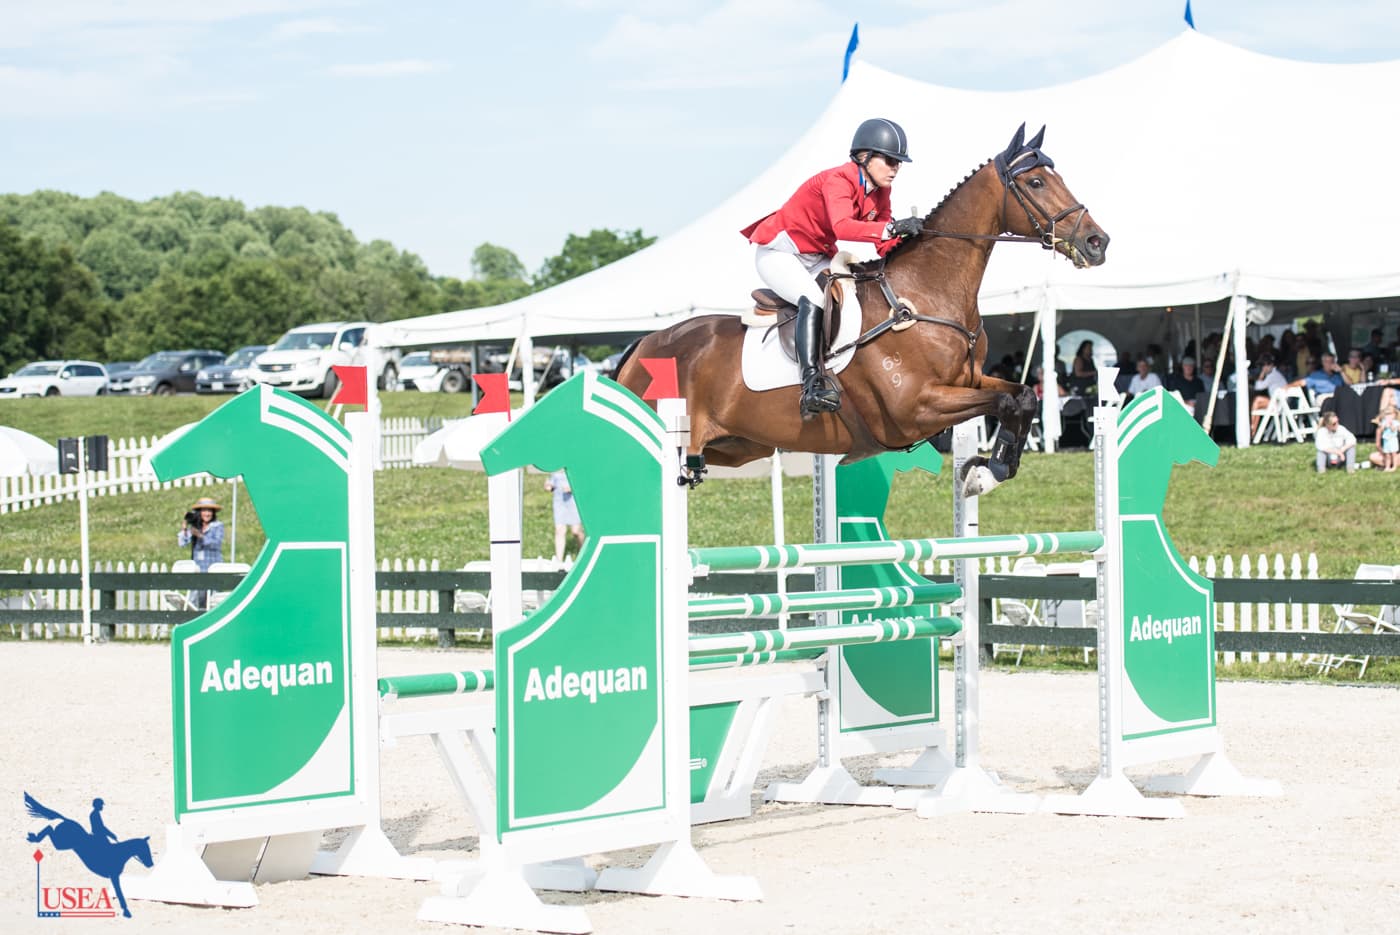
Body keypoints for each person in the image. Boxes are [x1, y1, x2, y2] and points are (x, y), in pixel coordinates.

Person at [740, 117, 919, 417]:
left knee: (853, 294)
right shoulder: (839, 180)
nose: (895, 168)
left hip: (816, 255)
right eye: (889, 160)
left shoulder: (880, 191)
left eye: (898, 163)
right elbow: (843, 226)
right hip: (780, 252)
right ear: (865, 157)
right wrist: (891, 228)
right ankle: (811, 382)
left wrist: (910, 239)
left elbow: (882, 243)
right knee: (813, 298)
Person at [177, 496, 225, 610]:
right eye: (204, 511)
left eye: (209, 511)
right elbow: (182, 543)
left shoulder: (217, 526)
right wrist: (185, 528)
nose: (207, 514)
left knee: (213, 601)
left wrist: (200, 536)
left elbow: (216, 543)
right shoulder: (196, 527)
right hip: (198, 569)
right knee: (195, 600)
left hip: (212, 568)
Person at [545, 469, 584, 564]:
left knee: (576, 531)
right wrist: (549, 486)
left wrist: (572, 487)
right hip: (559, 501)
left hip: (573, 501)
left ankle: (583, 554)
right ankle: (559, 561)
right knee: (559, 530)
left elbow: (583, 483)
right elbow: (550, 482)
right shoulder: (555, 469)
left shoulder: (575, 467)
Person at [1249, 355, 1288, 436]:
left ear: (1270, 365)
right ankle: (1253, 430)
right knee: (1257, 405)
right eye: (1262, 366)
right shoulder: (1274, 374)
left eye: (1265, 365)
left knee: (1257, 400)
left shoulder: (1273, 375)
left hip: (1280, 404)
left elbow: (1258, 387)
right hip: (1279, 403)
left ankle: (1252, 429)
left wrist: (1262, 374)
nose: (1263, 368)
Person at [1374, 405, 1400, 471]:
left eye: (1390, 414)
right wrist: (1383, 426)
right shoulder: (1383, 423)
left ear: (1395, 415)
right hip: (1386, 442)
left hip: (1393, 442)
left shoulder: (1396, 423)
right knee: (1386, 455)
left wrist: (1391, 425)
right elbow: (1378, 444)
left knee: (1394, 454)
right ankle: (1387, 466)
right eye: (1387, 415)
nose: (1388, 416)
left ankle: (1394, 466)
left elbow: (1394, 430)